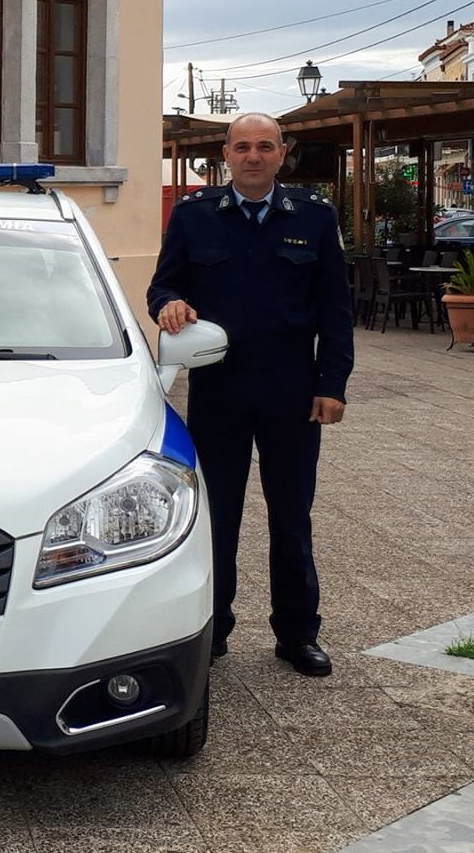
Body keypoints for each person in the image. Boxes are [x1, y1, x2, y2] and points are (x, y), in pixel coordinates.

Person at [147, 112, 353, 677]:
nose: (254, 156)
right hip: (220, 389)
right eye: (243, 147)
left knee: (292, 517)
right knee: (217, 517)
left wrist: (332, 385)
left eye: (265, 146)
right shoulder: (193, 218)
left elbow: (336, 312)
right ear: (226, 154)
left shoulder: (312, 217)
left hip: (292, 390)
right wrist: (168, 304)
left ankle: (297, 633)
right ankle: (212, 627)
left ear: (282, 153)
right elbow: (163, 284)